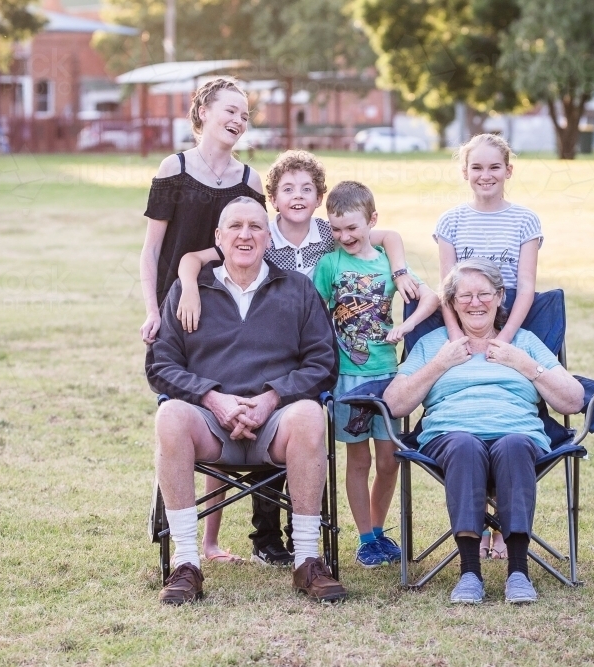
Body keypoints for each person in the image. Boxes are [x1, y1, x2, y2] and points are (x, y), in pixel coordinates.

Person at [174, 151, 419, 565]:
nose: (298, 196)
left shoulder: (330, 234)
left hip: (316, 351)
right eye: (288, 189)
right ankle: (267, 535)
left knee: (306, 432)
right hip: (269, 347)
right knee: (264, 427)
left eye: (307, 188)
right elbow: (197, 258)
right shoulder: (260, 233)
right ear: (273, 198)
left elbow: (388, 236)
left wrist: (399, 273)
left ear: (320, 196)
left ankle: (306, 531)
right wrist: (190, 287)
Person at [146, 197, 347, 604]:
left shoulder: (297, 289)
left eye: (255, 226)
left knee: (309, 413)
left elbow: (323, 362)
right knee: (170, 415)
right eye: (235, 227)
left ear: (268, 237)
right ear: (218, 238)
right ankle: (187, 563)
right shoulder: (190, 291)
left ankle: (307, 559)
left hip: (275, 427)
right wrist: (211, 396)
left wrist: (273, 398)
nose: (245, 234)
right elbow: (160, 365)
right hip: (209, 424)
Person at [382, 259, 584, 604]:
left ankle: (518, 571)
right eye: (465, 296)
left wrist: (524, 364)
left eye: (484, 294)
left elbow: (573, 398)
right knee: (464, 446)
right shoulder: (434, 344)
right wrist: (440, 364)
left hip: (518, 434)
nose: (475, 303)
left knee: (515, 445)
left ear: (500, 297)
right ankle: (470, 572)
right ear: (452, 302)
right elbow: (395, 402)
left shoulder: (525, 341)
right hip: (450, 437)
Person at [138, 77, 270, 565]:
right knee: (182, 415)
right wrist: (154, 311)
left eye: (245, 114)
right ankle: (175, 524)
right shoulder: (173, 168)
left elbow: (252, 244)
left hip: (230, 314)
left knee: (224, 412)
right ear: (204, 113)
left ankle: (210, 540)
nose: (238, 120)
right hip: (180, 314)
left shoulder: (249, 181)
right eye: (230, 110)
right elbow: (153, 250)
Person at [312, 181, 440, 568]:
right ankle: (367, 538)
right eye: (335, 229)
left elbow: (432, 297)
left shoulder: (388, 261)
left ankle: (380, 530)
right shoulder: (329, 264)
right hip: (348, 377)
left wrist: (405, 326)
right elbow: (314, 313)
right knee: (358, 461)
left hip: (389, 377)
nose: (344, 236)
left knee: (388, 461)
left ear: (372, 222)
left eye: (352, 228)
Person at [434, 133, 544, 560]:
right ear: (465, 172)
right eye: (476, 168)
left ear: (508, 171)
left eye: (494, 167)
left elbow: (528, 288)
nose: (485, 175)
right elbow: (447, 291)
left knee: (505, 415)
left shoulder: (525, 221)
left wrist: (505, 339)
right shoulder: (451, 222)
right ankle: (476, 525)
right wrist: (459, 340)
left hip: (510, 319)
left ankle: (503, 531)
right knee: (469, 420)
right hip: (464, 320)